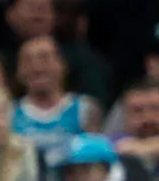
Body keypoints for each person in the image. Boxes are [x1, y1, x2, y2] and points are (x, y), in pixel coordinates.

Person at [9, 35, 100, 166]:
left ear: (62, 64)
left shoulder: (86, 109)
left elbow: (96, 163)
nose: (37, 68)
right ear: (18, 72)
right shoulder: (8, 113)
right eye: (27, 61)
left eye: (45, 58)